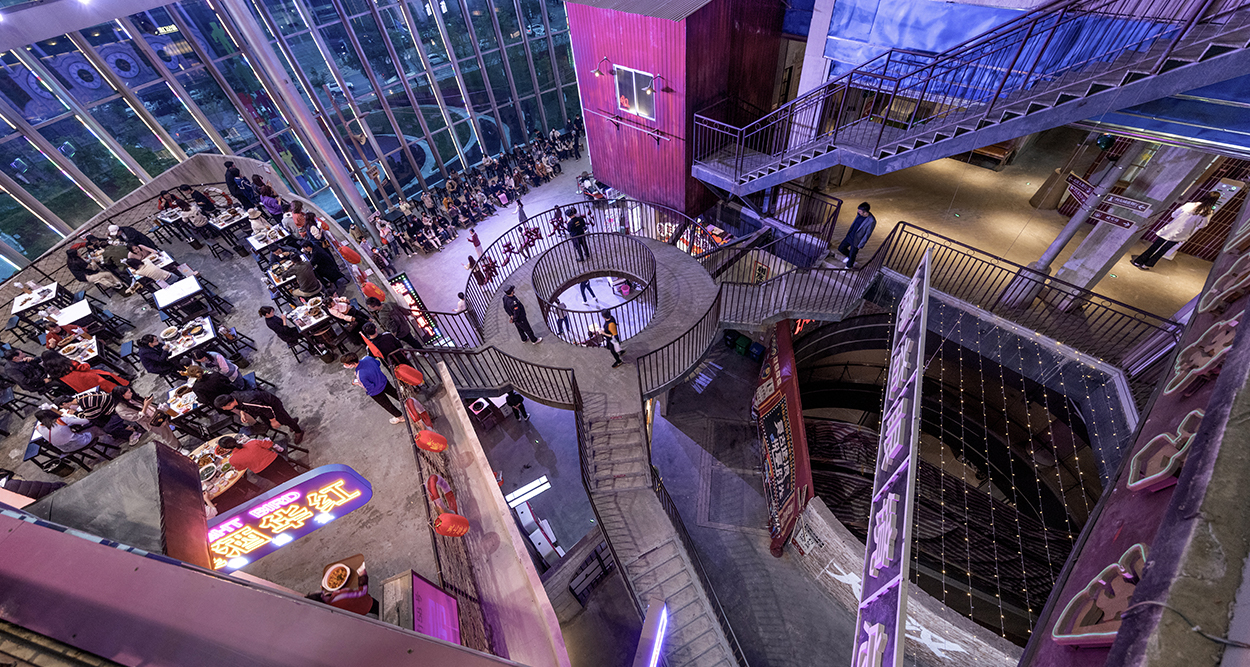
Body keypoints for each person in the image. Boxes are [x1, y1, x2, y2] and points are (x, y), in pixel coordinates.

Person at [1132, 192, 1221, 270]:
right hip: (1183, 233)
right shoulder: (1208, 212)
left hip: (1171, 228)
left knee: (1155, 246)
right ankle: (1147, 265)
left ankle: (1139, 261)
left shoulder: (1189, 205)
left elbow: (1174, 214)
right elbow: (1202, 225)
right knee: (1164, 250)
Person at [214, 390, 305, 444]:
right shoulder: (233, 397)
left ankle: (298, 431)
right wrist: (242, 413)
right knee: (269, 423)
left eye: (223, 407)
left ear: (229, 404)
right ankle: (289, 421)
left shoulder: (248, 401)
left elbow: (267, 409)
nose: (224, 409)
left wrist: (273, 420)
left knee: (281, 418)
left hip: (271, 404)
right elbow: (240, 406)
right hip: (261, 409)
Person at [340, 352, 405, 424]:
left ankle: (400, 417)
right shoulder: (368, 358)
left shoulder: (360, 375)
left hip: (376, 392)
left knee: (387, 405)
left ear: (351, 364)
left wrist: (357, 382)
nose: (344, 365)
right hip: (383, 381)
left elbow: (368, 387)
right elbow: (378, 363)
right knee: (394, 392)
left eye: (345, 364)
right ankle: (406, 401)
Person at [111, 385, 181, 449]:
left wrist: (147, 401)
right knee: (167, 435)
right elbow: (137, 417)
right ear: (122, 396)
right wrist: (146, 405)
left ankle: (185, 429)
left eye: (130, 391)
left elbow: (142, 403)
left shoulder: (132, 397)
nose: (131, 393)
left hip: (157, 412)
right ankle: (178, 448)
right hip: (151, 422)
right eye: (129, 393)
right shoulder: (120, 409)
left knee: (176, 420)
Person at [215, 435, 302, 485]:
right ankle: (304, 481)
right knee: (292, 473)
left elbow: (241, 468)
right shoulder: (252, 442)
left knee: (280, 481)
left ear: (226, 449)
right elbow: (269, 444)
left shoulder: (232, 460)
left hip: (263, 471)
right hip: (275, 460)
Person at [34, 409, 114, 453]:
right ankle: (112, 433)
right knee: (94, 427)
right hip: (80, 442)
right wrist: (74, 415)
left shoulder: (38, 428)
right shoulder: (60, 420)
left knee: (75, 432)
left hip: (65, 449)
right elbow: (86, 421)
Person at [43, 354, 128, 393]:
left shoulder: (51, 370)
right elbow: (84, 367)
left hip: (78, 386)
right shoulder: (66, 363)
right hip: (88, 378)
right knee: (104, 374)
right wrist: (80, 361)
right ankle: (123, 386)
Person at [838, 202, 876, 268]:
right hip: (850, 236)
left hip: (857, 240)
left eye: (860, 211)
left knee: (853, 254)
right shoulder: (859, 214)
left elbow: (867, 234)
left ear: (865, 212)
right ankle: (849, 257)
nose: (858, 211)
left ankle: (848, 266)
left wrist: (861, 244)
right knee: (841, 248)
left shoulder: (871, 221)